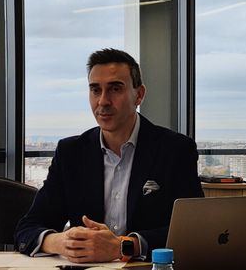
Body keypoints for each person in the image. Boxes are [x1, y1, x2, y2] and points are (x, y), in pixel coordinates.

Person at [14, 48, 204, 263]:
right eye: (95, 90)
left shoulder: (175, 149)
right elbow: (27, 229)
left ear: (139, 95)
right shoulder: (71, 153)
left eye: (115, 89)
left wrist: (123, 246)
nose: (103, 101)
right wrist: (62, 242)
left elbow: (193, 231)